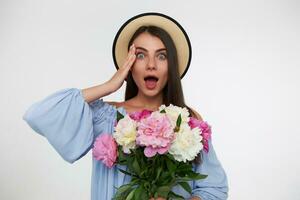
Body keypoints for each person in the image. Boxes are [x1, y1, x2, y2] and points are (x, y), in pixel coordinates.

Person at [23, 12, 228, 200]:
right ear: (129, 65)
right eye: (140, 55)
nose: (151, 65)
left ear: (171, 65)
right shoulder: (107, 117)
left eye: (161, 56)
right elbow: (38, 115)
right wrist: (109, 85)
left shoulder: (188, 121)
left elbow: (214, 188)